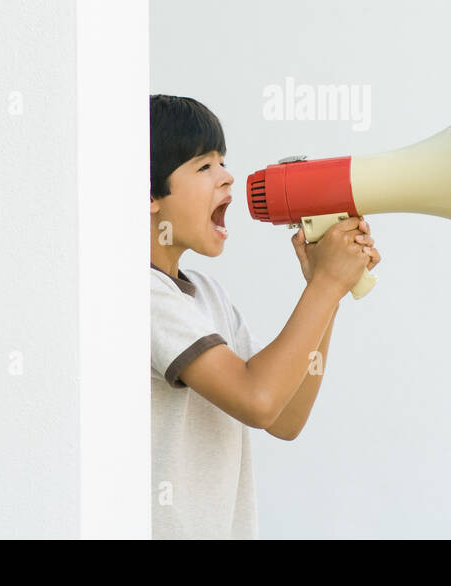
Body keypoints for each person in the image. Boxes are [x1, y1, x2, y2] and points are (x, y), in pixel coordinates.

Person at [149, 94, 380, 538]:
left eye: (223, 161)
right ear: (149, 194)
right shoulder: (142, 296)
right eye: (204, 167)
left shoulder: (208, 294)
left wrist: (323, 291)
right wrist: (326, 284)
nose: (228, 176)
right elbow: (257, 400)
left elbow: (286, 416)